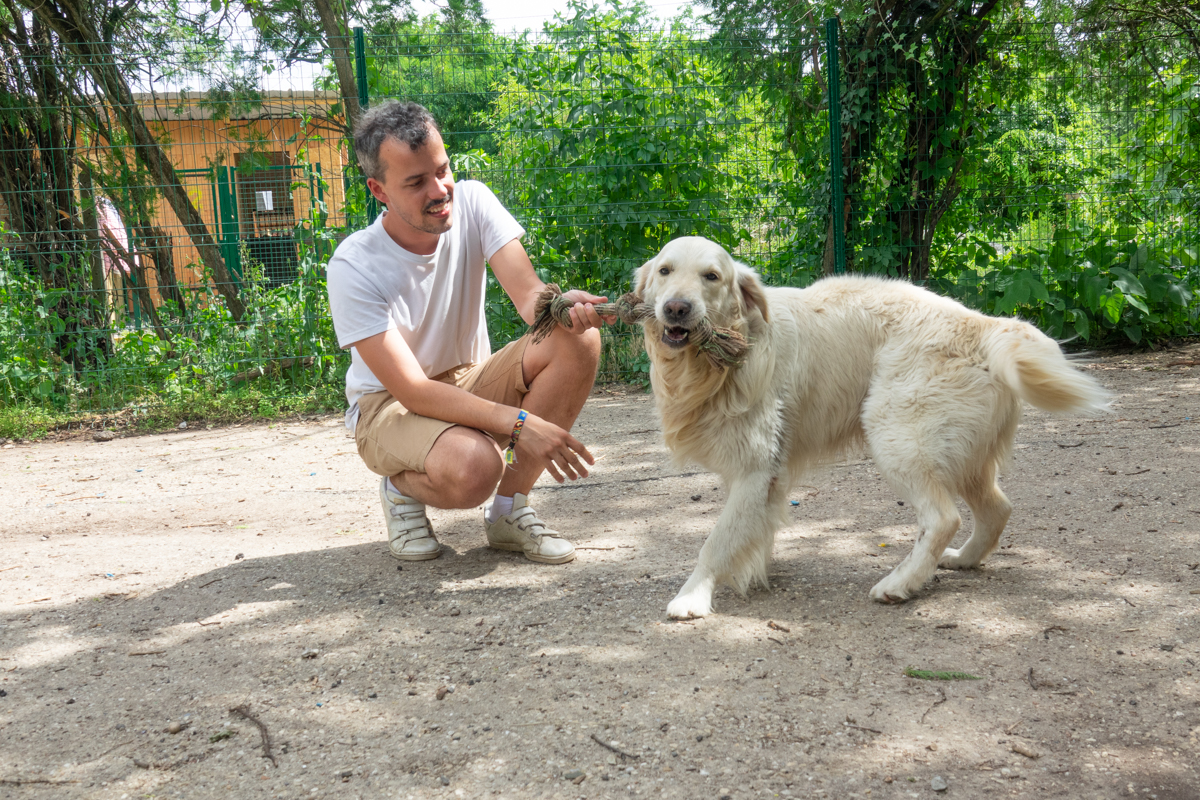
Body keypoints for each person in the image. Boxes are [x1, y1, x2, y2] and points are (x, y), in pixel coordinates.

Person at [326, 100, 612, 565]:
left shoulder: (474, 202)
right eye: (416, 182)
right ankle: (400, 486)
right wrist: (521, 424)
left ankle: (507, 511)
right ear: (378, 189)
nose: (439, 190)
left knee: (575, 338)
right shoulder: (353, 265)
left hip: (466, 375)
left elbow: (530, 299)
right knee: (475, 468)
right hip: (388, 406)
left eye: (442, 170)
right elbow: (414, 392)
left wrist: (563, 308)